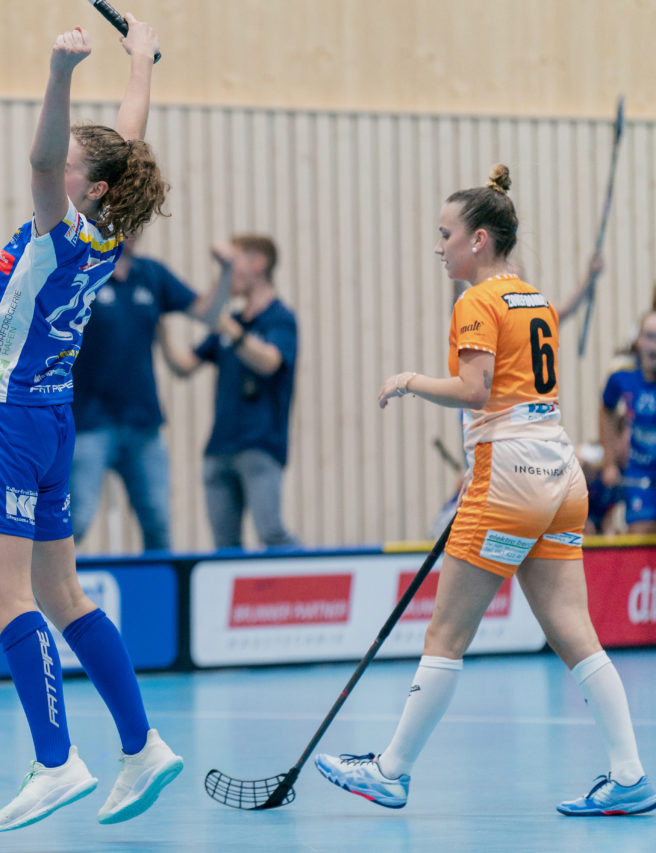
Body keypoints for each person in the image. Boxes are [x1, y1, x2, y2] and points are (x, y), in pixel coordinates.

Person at [314, 165, 655, 816]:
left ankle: (390, 771)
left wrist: (410, 380)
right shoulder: (534, 297)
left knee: (445, 635)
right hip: (559, 471)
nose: (438, 247)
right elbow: (516, 396)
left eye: (445, 235)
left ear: (478, 239)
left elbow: (475, 391)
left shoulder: (475, 301)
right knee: (576, 632)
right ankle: (630, 773)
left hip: (510, 473)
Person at [0, 19, 182, 832]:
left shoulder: (62, 226)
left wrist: (59, 72)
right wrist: (139, 61)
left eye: (77, 161)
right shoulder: (108, 229)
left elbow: (44, 161)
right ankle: (142, 745)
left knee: (8, 596)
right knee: (63, 592)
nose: (60, 162)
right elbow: (127, 144)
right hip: (51, 418)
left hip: (3, 412)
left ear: (92, 187)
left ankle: (56, 760)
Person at [69, 237, 230, 551]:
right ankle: (39, 583)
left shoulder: (151, 275)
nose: (131, 231)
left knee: (158, 521)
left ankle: (162, 584)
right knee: (77, 520)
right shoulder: (83, 273)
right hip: (90, 422)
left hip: (143, 424)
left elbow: (208, 314)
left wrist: (226, 272)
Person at [160, 234, 301, 548]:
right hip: (219, 448)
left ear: (258, 264)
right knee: (225, 545)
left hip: (260, 446)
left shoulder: (280, 319)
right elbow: (185, 366)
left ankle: (308, 575)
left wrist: (227, 328)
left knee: (271, 532)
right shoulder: (232, 321)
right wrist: (161, 333)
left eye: (233, 264)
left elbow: (270, 361)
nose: (227, 275)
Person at [599, 310, 656, 534]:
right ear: (639, 340)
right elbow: (606, 410)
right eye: (650, 337)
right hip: (639, 474)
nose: (654, 346)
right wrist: (610, 463)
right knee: (641, 532)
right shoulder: (622, 377)